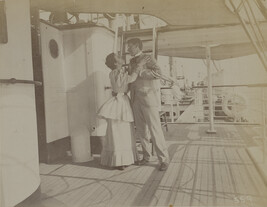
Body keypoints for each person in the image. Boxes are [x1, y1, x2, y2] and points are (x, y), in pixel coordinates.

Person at [97, 53, 146, 170]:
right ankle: (119, 161)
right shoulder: (117, 73)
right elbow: (132, 78)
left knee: (122, 131)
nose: (121, 57)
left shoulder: (118, 72)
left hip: (121, 100)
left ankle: (123, 159)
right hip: (120, 102)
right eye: (118, 57)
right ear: (115, 63)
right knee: (118, 131)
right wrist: (139, 65)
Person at [127, 38, 169, 171]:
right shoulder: (131, 61)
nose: (128, 49)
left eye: (130, 47)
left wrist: (141, 72)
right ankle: (146, 157)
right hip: (135, 99)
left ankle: (164, 159)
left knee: (155, 129)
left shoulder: (148, 58)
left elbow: (158, 73)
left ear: (137, 46)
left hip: (148, 98)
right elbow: (131, 80)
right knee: (141, 130)